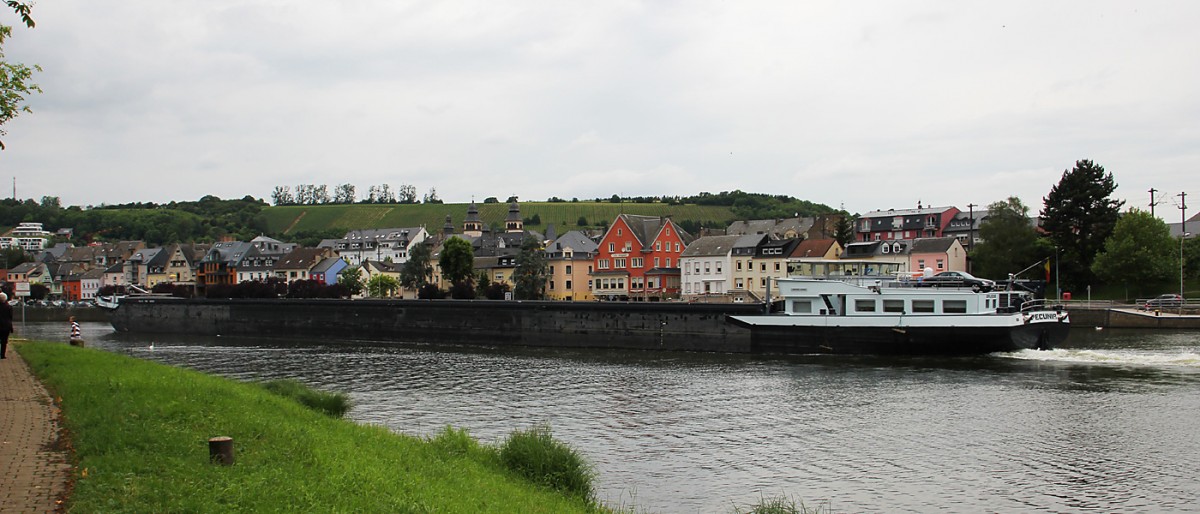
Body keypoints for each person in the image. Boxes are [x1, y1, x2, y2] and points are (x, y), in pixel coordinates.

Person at [0, 292, 13, 359]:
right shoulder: (9, 307)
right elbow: (10, 317)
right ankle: (2, 355)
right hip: (6, 326)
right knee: (4, 341)